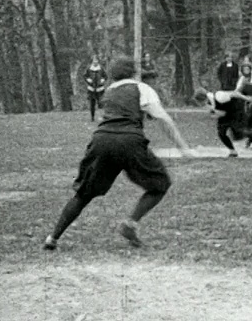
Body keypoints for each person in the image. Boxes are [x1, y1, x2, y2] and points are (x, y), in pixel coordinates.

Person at [44, 57, 195, 250]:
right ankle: (130, 224)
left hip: (101, 140)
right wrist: (183, 147)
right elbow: (163, 119)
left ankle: (53, 237)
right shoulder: (142, 89)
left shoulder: (109, 91)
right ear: (134, 72)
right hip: (129, 140)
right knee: (160, 184)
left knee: (83, 193)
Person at [193, 87, 249, 157]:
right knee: (221, 132)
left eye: (199, 102)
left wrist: (247, 98)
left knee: (237, 133)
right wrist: (213, 113)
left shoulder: (219, 96)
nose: (199, 104)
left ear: (202, 99)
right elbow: (219, 114)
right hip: (224, 114)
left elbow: (235, 94)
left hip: (234, 112)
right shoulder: (208, 103)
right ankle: (233, 151)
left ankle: (250, 136)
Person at [84, 55, 107, 121]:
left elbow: (105, 76)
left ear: (98, 61)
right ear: (92, 61)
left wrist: (103, 80)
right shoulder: (88, 68)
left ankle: (102, 116)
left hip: (100, 89)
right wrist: (88, 80)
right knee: (92, 104)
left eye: (96, 61)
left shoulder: (101, 68)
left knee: (101, 103)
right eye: (94, 61)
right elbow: (85, 76)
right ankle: (92, 117)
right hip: (91, 89)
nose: (95, 62)